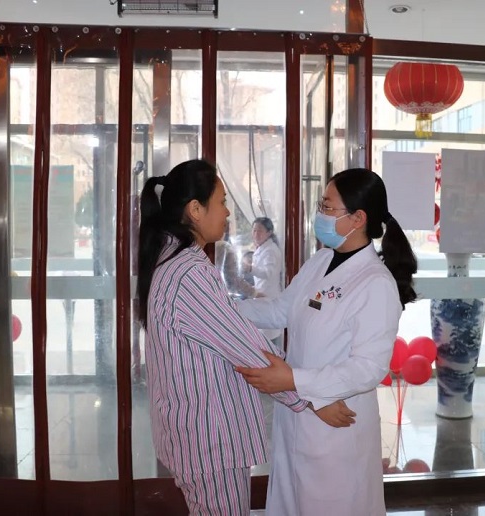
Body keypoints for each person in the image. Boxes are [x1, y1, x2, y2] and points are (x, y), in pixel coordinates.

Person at [136, 159, 353, 515]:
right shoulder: (188, 271)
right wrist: (313, 399)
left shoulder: (172, 259)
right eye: (221, 202)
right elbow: (247, 351)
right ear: (195, 210)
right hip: (209, 439)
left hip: (196, 433)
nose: (227, 212)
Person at [235, 168, 418, 516]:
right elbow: (280, 310)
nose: (320, 215)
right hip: (298, 418)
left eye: (328, 207)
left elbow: (368, 368)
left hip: (336, 430)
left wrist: (293, 380)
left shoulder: (375, 283)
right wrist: (224, 308)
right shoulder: (321, 260)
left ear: (358, 218)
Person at [242, 217, 284, 345]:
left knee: (269, 340)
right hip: (261, 297)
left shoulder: (271, 250)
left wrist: (250, 268)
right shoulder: (262, 248)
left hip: (268, 297)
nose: (256, 234)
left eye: (260, 231)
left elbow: (268, 273)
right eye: (254, 230)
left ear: (269, 232)